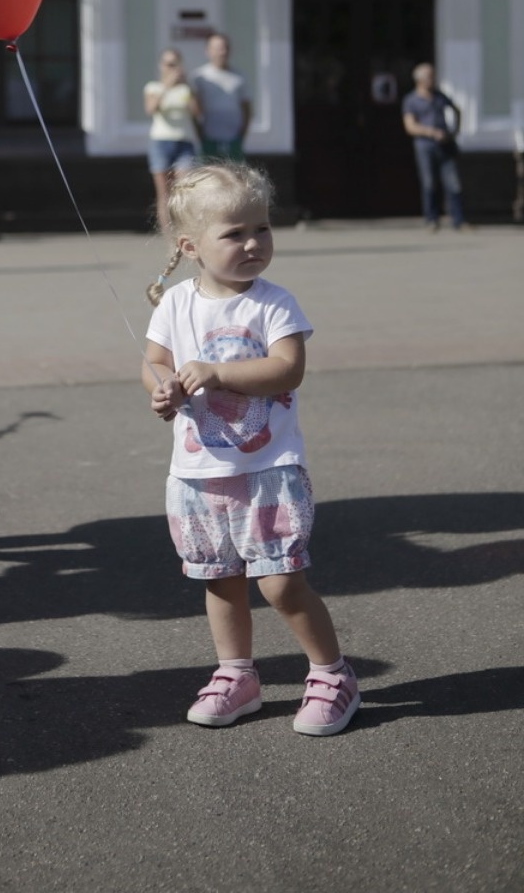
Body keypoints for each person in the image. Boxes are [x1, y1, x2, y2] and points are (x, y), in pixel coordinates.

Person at [142, 161, 360, 737]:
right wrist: (161, 388)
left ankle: (332, 674)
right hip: (197, 472)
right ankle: (237, 674)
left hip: (268, 468)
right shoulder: (175, 304)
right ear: (190, 246)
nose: (253, 243)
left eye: (262, 228)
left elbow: (288, 369)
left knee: (282, 582)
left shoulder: (273, 303)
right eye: (234, 233)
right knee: (220, 580)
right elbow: (155, 360)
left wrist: (217, 372)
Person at [401, 62, 464, 231]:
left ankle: (458, 220)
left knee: (453, 183)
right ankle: (431, 219)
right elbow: (410, 126)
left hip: (445, 145)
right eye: (429, 77)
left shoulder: (440, 96)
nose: (433, 80)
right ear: (419, 80)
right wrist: (431, 132)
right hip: (425, 146)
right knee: (429, 183)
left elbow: (457, 110)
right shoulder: (411, 100)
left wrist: (454, 131)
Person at [143, 48, 201, 232]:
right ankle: (169, 236)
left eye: (176, 64)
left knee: (185, 188)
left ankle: (185, 230)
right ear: (161, 65)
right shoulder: (153, 87)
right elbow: (150, 109)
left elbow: (197, 112)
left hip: (184, 142)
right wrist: (166, 86)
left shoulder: (185, 88)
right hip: (160, 142)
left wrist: (187, 87)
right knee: (164, 194)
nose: (172, 68)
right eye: (169, 64)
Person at [191, 32, 251, 162]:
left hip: (234, 139)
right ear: (208, 51)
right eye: (218, 48)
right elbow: (194, 110)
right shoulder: (199, 77)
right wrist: (199, 134)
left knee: (235, 173)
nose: (222, 52)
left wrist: (242, 135)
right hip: (208, 139)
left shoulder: (239, 76)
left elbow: (246, 108)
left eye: (225, 48)